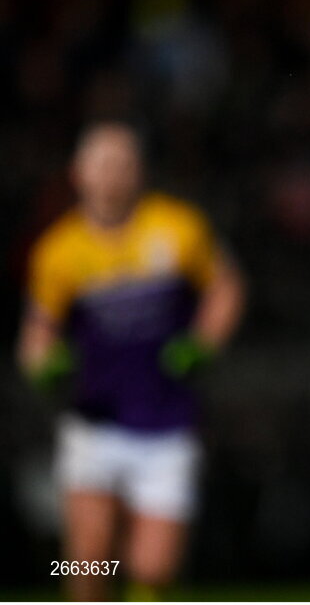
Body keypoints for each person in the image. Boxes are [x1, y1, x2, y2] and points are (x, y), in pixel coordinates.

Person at [16, 121, 246, 601]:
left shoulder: (177, 227)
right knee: (87, 565)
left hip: (167, 423)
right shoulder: (59, 251)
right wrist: (44, 364)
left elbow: (226, 287)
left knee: (153, 567)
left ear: (140, 171)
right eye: (102, 163)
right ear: (78, 173)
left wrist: (203, 343)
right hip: (94, 425)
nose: (113, 175)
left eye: (123, 163)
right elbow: (37, 333)